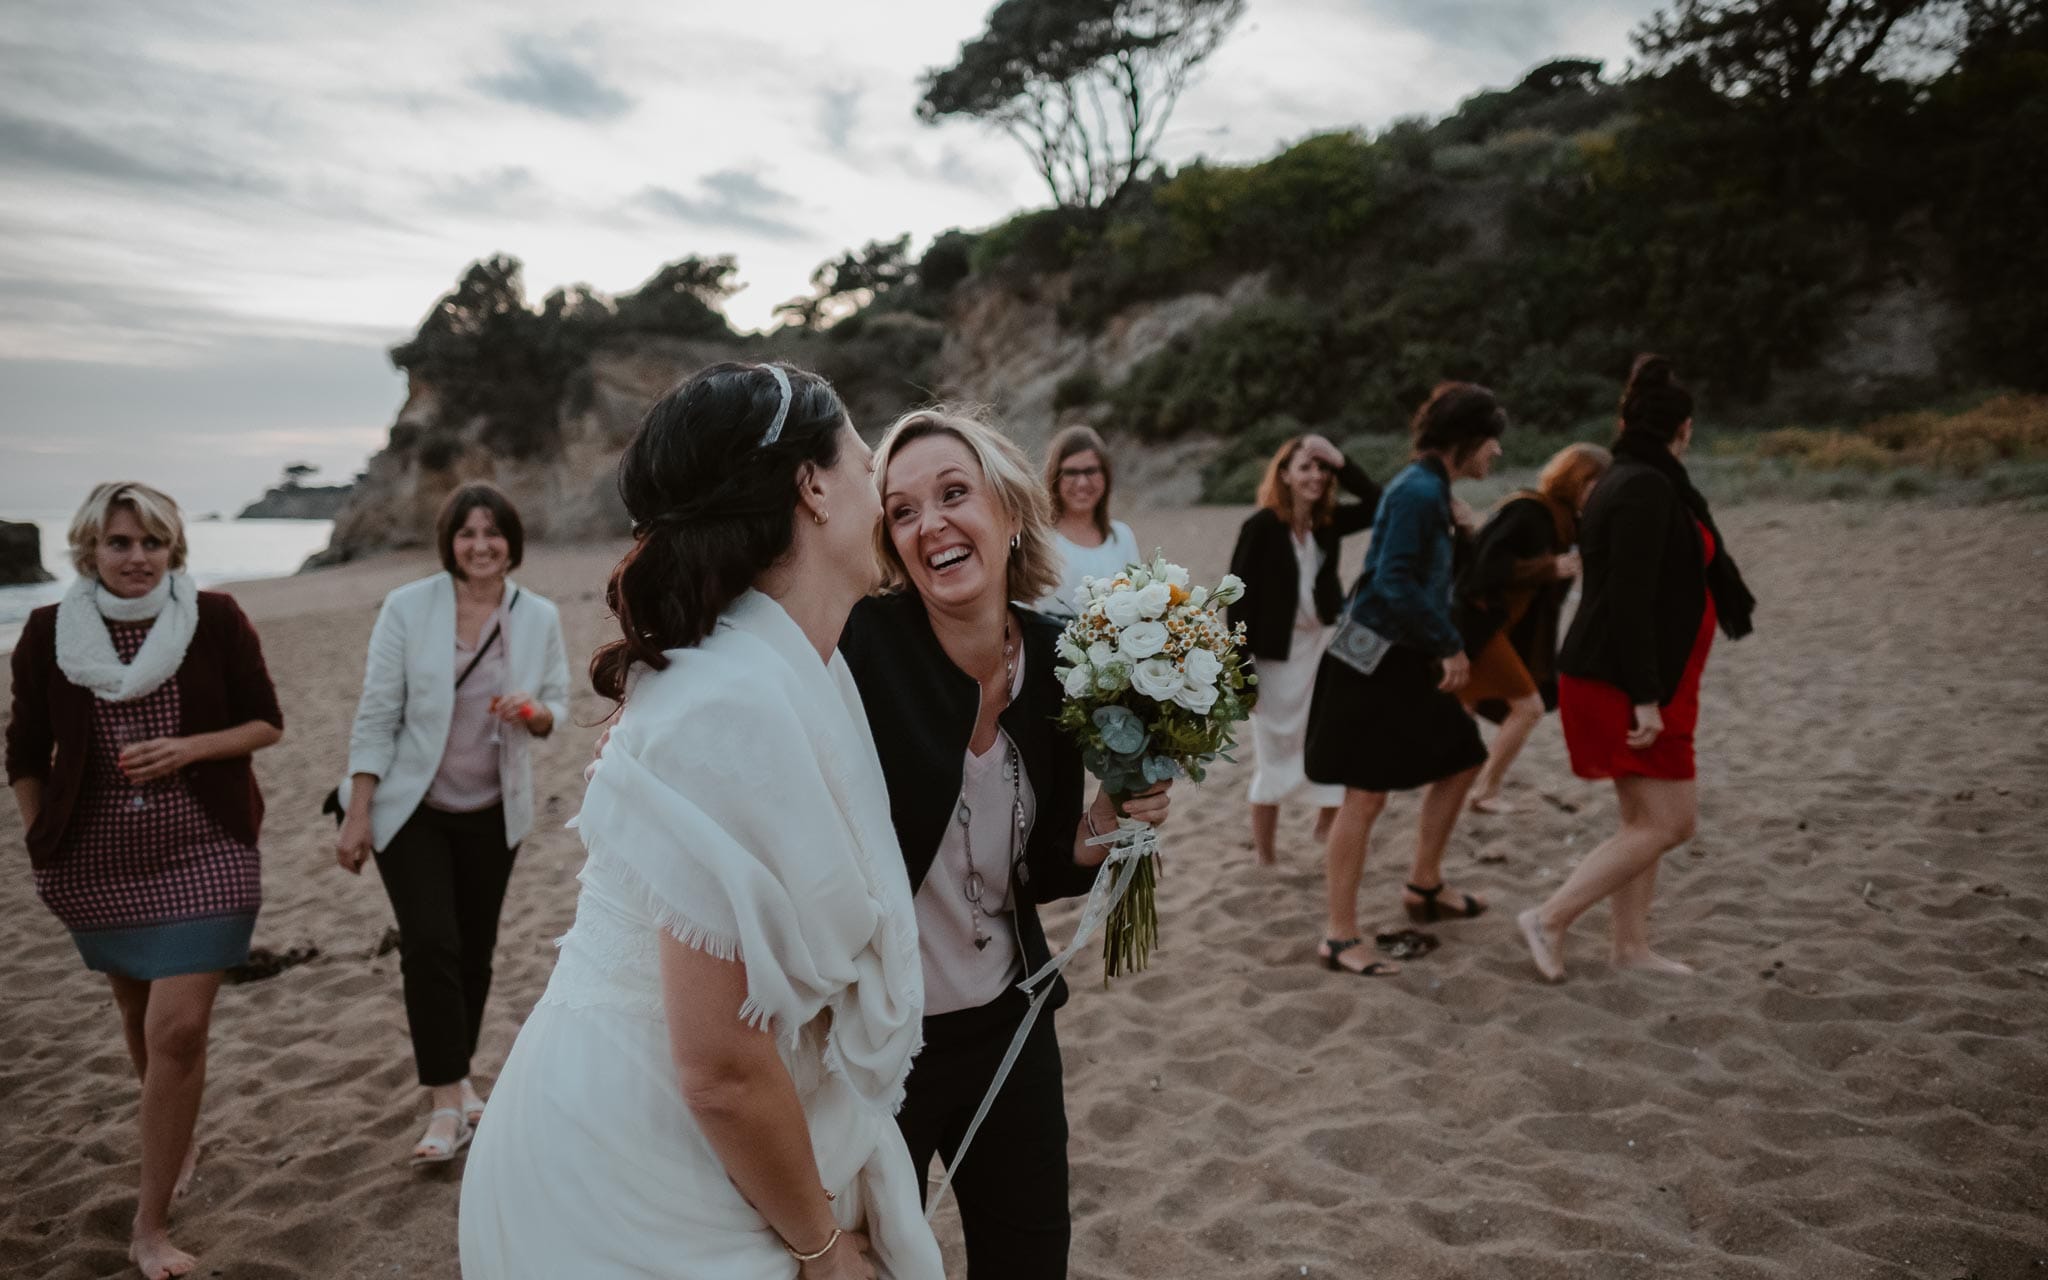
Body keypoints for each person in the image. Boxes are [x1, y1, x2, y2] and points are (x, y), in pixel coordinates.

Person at [459, 363, 943, 1279]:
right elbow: (719, 1066)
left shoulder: (787, 668)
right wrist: (823, 1249)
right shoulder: (729, 704)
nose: (882, 489)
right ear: (811, 486)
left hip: (674, 1126)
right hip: (633, 1164)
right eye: (867, 459)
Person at [840, 408, 1172, 1279]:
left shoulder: (1066, 659)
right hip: (881, 1045)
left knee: (1030, 1258)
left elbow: (1045, 870)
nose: (932, 524)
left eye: (955, 494)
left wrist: (1111, 820)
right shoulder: (859, 650)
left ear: (1011, 513)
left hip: (1012, 1023)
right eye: (903, 511)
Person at [6, 482, 283, 1280]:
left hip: (207, 853)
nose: (137, 558)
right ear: (88, 549)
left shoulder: (217, 619)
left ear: (175, 550)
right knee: (138, 1015)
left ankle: (149, 1226)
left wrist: (188, 749)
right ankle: (179, 1136)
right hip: (94, 861)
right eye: (121, 543)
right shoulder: (49, 632)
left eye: (152, 543)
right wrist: (39, 841)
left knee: (178, 1030)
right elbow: (23, 752)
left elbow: (267, 721)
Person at [334, 482, 569, 1166]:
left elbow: (556, 706)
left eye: (493, 533)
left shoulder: (540, 616)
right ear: (450, 542)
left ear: (511, 543)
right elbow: (377, 712)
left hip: (496, 807)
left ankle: (459, 1079)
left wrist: (533, 711)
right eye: (467, 533)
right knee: (430, 944)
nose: (480, 545)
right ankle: (446, 1101)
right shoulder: (408, 608)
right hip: (411, 808)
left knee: (475, 952)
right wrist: (357, 813)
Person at [1519, 356, 1754, 982]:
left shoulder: (1632, 479)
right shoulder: (1646, 487)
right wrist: (1647, 697)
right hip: (1629, 681)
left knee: (1642, 822)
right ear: (1685, 431)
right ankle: (1549, 917)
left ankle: (1630, 948)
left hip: (1638, 676)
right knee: (1672, 822)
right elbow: (1626, 598)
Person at [1302, 384, 1507, 977]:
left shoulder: (1432, 491)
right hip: (1369, 655)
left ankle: (1423, 887)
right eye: (1491, 440)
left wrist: (1465, 537)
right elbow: (1391, 580)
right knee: (1364, 794)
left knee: (1463, 757)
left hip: (1397, 653)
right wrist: (1449, 646)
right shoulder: (1418, 491)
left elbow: (1428, 578)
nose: (1495, 453)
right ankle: (1340, 936)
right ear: (1465, 439)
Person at [1226, 434, 1381, 864]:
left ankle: (1324, 827)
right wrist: (1242, 674)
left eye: (1322, 468)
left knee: (1335, 742)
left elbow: (1380, 505)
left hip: (1324, 647)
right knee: (1273, 753)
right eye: (1305, 467)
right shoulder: (1259, 527)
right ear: (1285, 475)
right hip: (1274, 657)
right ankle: (1266, 856)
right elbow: (1236, 600)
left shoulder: (1328, 522)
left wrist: (1342, 460)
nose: (1316, 475)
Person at [1455, 443, 1611, 813]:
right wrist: (1548, 567)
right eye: (1597, 486)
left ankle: (1461, 788)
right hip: (1479, 624)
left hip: (1503, 630)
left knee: (1466, 704)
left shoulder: (1567, 524)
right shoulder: (1528, 511)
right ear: (1576, 479)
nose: (1603, 495)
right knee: (1527, 708)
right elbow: (1481, 569)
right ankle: (1483, 790)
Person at [1033, 425, 1140, 620]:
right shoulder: (1039, 538)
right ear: (1054, 477)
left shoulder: (1122, 537)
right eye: (1071, 472)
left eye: (1091, 471)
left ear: (1105, 475)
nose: (1082, 483)